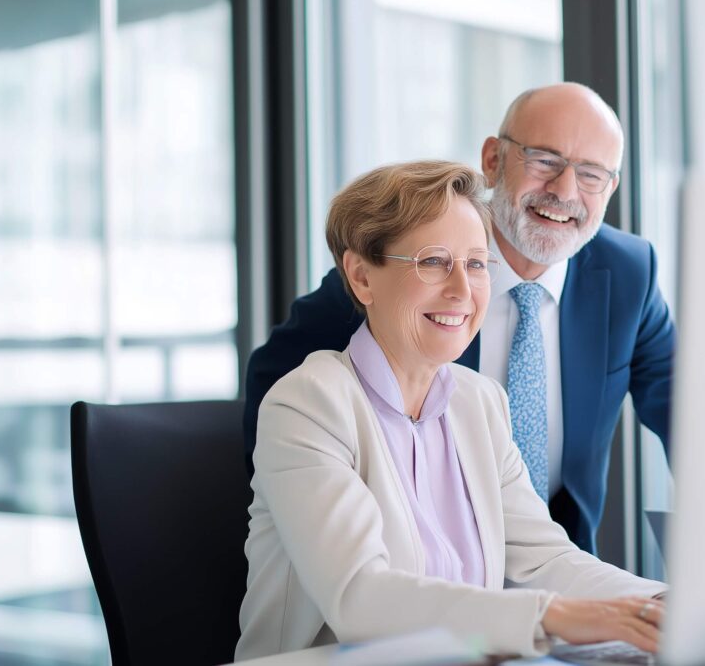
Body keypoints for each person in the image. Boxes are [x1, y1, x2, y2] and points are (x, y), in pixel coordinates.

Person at [236, 161, 666, 660]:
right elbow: (360, 598)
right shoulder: (307, 405)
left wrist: (658, 603)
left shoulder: (480, 403)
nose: (463, 290)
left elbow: (545, 558)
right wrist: (552, 616)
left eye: (477, 264)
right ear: (361, 277)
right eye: (434, 262)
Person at [243, 82, 675, 554]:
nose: (564, 191)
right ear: (492, 159)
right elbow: (277, 380)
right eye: (544, 161)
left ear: (610, 187)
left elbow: (688, 417)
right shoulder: (414, 260)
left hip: (559, 568)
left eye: (591, 174)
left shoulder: (630, 272)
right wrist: (311, 515)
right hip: (413, 572)